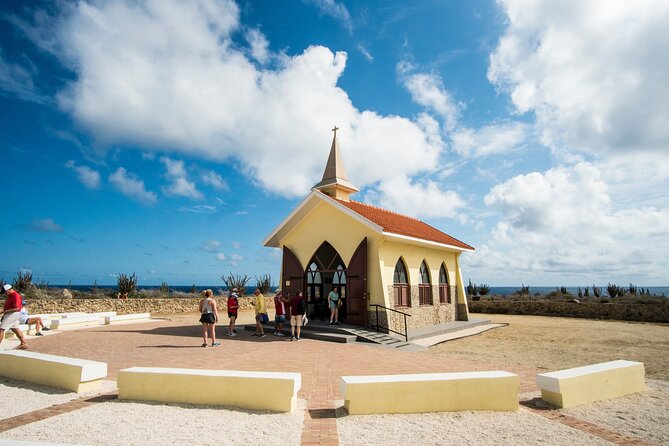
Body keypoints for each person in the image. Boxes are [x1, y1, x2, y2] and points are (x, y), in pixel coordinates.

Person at [0, 284, 28, 350]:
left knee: (1, 330)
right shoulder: (10, 296)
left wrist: (6, 311)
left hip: (12, 314)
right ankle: (23, 343)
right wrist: (4, 312)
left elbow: (17, 308)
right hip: (12, 314)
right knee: (15, 329)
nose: (5, 293)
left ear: (9, 289)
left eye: (5, 292)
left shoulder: (15, 296)